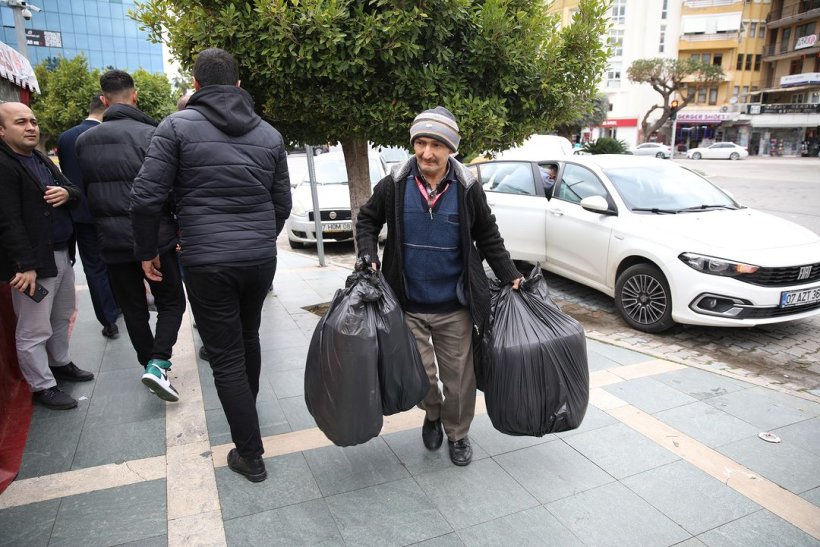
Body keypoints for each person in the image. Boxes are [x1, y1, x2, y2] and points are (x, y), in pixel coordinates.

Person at [130, 48, 291, 482]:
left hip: (206, 259)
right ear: (238, 85)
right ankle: (247, 413)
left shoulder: (176, 127)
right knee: (247, 336)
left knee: (225, 356)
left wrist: (148, 251)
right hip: (258, 259)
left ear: (196, 86)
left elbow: (146, 197)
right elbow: (282, 204)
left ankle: (250, 454)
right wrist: (257, 238)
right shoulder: (269, 134)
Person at [356, 106, 522, 466]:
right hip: (409, 302)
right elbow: (367, 220)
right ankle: (432, 413)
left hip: (454, 304)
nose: (426, 153)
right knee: (423, 377)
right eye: (420, 143)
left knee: (459, 381)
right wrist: (367, 253)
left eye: (436, 144)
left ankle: (457, 434)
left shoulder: (466, 188)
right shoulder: (395, 184)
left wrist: (509, 272)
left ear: (451, 149)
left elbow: (488, 235)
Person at [75, 70, 186, 402]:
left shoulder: (83, 142)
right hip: (154, 237)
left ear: (104, 100)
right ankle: (158, 362)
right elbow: (167, 191)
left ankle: (148, 363)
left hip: (111, 240)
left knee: (132, 307)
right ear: (134, 96)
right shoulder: (152, 135)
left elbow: (88, 191)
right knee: (172, 302)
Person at [0, 102, 95, 410]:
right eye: (20, 122)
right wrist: (24, 265)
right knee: (33, 328)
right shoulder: (4, 164)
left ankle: (60, 362)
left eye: (33, 121)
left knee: (61, 315)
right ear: (2, 130)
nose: (30, 127)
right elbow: (7, 219)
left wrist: (67, 195)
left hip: (62, 253)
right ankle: (42, 386)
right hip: (34, 264)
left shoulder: (39, 157)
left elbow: (72, 190)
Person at [57, 95, 121, 340]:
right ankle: (120, 304)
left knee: (94, 266)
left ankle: (108, 320)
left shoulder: (66, 137)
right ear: (106, 107)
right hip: (111, 211)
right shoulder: (108, 134)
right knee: (116, 262)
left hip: (81, 214)